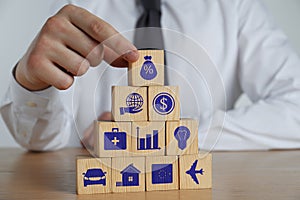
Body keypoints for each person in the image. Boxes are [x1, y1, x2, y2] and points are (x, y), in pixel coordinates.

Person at [1, 0, 300, 151]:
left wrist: (174, 135)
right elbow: (39, 141)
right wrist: (32, 85)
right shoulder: (77, 7)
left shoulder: (234, 6)